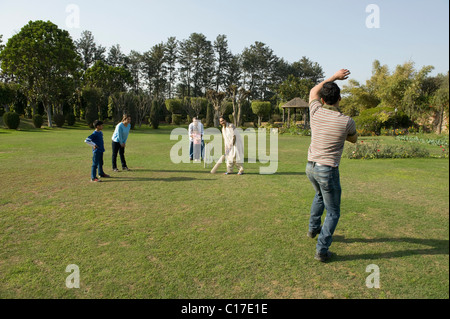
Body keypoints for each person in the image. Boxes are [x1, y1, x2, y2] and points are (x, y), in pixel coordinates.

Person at [305, 69, 358, 262]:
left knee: (319, 195)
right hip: (327, 169)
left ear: (323, 100)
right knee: (334, 212)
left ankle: (313, 230)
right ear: (340, 99)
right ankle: (322, 250)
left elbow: (313, 91)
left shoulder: (315, 111)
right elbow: (353, 139)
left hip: (310, 167)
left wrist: (334, 77)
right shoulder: (346, 121)